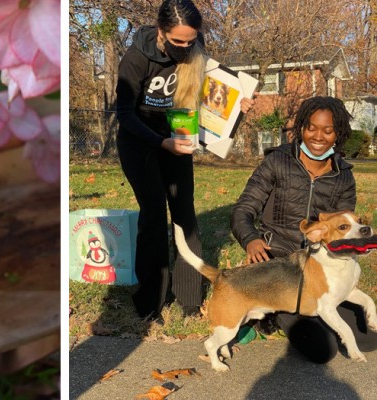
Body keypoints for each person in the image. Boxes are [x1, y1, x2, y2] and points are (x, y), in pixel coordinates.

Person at [115, 0, 254, 319]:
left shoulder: (196, 47)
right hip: (140, 142)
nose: (185, 47)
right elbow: (125, 115)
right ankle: (150, 301)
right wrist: (161, 142)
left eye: (191, 40)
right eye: (178, 41)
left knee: (185, 214)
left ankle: (189, 298)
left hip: (179, 136)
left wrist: (237, 112)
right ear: (161, 32)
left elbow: (211, 98)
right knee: (153, 213)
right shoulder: (136, 58)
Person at [231, 96, 377, 363]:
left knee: (369, 339)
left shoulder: (343, 176)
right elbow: (244, 209)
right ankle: (272, 313)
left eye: (328, 130)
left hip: (322, 268)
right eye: (311, 127)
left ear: (338, 134)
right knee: (324, 348)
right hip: (281, 268)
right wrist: (251, 239)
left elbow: (346, 232)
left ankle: (306, 314)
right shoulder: (277, 162)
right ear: (301, 128)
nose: (318, 136)